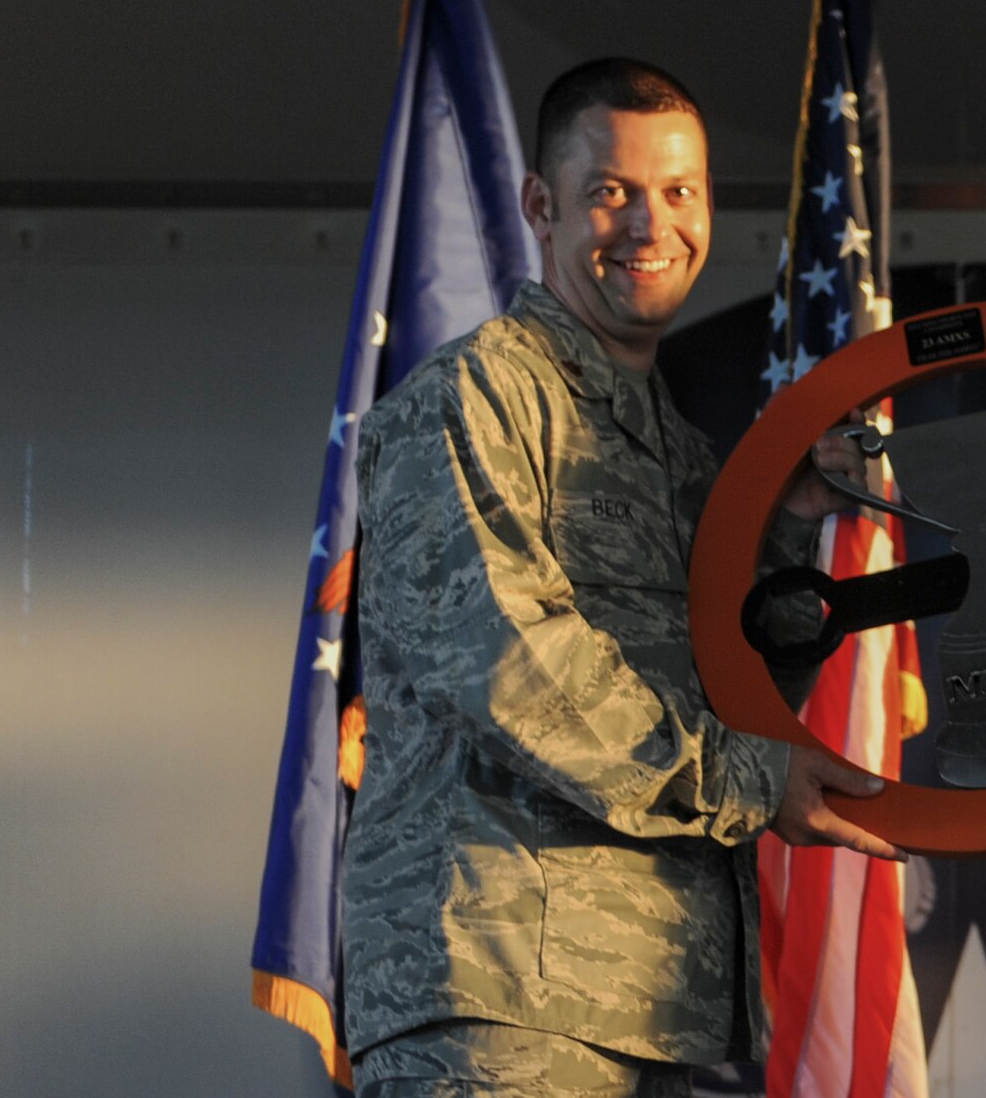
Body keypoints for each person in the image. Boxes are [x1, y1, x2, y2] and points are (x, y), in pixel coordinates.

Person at [341, 58, 899, 1097]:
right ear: (542, 207)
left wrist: (784, 529)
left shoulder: (680, 453)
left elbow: (727, 684)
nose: (651, 227)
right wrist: (747, 780)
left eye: (677, 192)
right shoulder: (473, 395)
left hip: (643, 1003)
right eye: (611, 193)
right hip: (500, 1002)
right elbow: (511, 666)